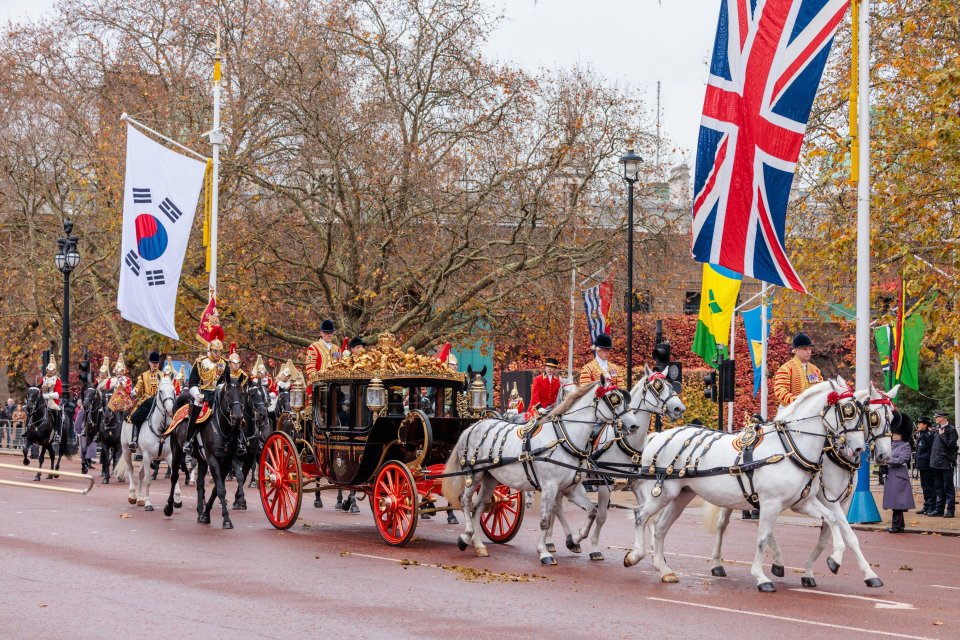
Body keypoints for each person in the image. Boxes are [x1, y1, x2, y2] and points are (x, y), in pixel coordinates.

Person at [185, 327, 226, 455]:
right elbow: (192, 382)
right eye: (215, 351)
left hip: (218, 395)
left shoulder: (225, 364)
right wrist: (197, 394)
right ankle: (188, 440)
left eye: (220, 351)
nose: (218, 354)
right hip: (203, 394)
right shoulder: (200, 362)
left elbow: (227, 381)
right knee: (196, 412)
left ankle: (240, 441)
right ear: (210, 350)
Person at [882, 413, 915, 532]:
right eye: (894, 433)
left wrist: (887, 460)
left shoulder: (905, 445)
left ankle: (896, 526)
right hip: (892, 476)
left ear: (902, 434)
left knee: (897, 503)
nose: (894, 436)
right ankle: (900, 526)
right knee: (896, 502)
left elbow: (902, 459)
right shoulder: (891, 445)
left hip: (899, 476)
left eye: (897, 434)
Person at [773, 333, 822, 408]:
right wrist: (798, 401)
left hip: (811, 410)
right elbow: (780, 391)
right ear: (795, 350)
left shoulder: (815, 370)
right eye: (804, 349)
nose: (808, 352)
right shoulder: (785, 369)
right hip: (789, 410)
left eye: (809, 349)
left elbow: (820, 389)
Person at [128, 351, 163, 451]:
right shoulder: (143, 376)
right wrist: (134, 391)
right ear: (149, 363)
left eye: (156, 363)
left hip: (159, 402)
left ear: (158, 364)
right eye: (153, 362)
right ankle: (134, 440)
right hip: (146, 402)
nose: (155, 364)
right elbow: (138, 386)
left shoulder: (163, 376)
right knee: (135, 417)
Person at [929, 409, 958, 518]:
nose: (935, 418)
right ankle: (939, 509)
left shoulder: (951, 429)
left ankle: (950, 511)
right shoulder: (938, 429)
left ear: (943, 418)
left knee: (948, 488)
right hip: (936, 462)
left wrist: (942, 435)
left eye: (937, 417)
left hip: (946, 463)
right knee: (939, 488)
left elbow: (951, 445)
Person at [914, 416, 936, 515]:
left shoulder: (929, 435)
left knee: (930, 487)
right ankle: (926, 506)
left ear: (925, 425)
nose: (918, 425)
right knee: (924, 487)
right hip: (922, 465)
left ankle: (932, 507)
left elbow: (933, 450)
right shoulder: (922, 434)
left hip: (928, 465)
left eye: (920, 423)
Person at [40, 356, 63, 442]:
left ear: (54, 371)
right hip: (43, 401)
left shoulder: (57, 380)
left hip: (52, 401)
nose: (50, 372)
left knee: (57, 410)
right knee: (32, 409)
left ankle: (57, 432)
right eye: (49, 370)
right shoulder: (43, 379)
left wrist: (47, 396)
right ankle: (27, 428)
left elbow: (58, 394)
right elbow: (40, 390)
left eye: (52, 370)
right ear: (46, 370)